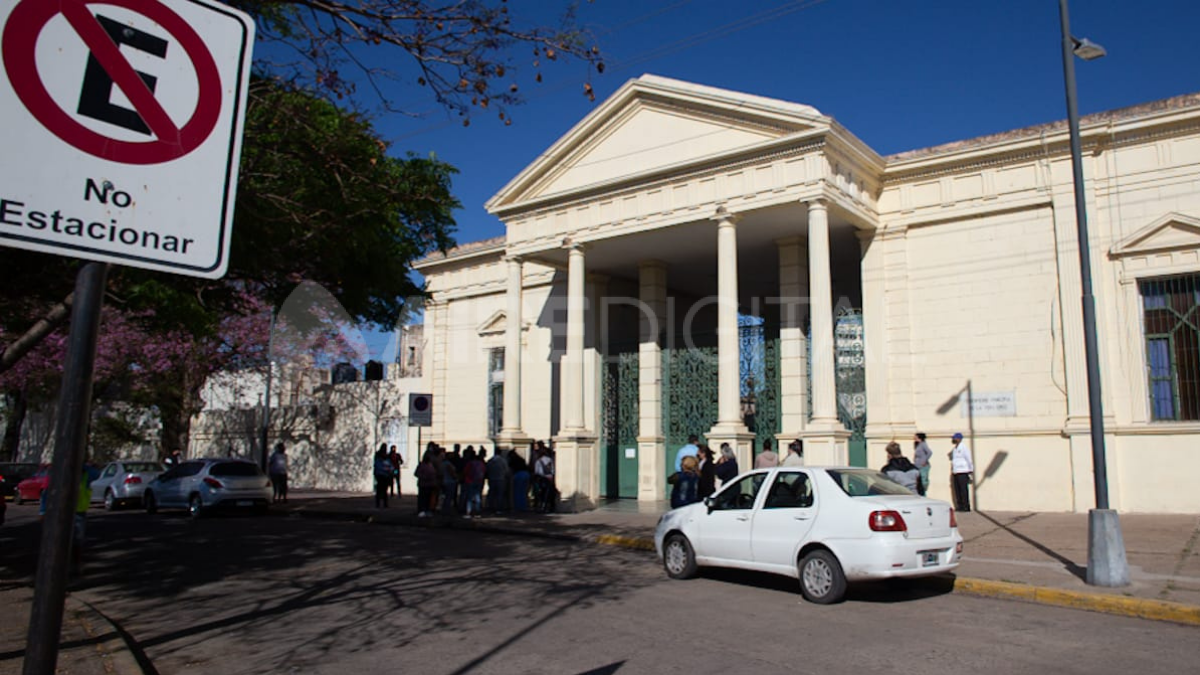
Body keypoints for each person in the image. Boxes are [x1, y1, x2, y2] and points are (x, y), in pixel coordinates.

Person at [950, 432, 974, 512]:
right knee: (957, 490)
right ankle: (959, 506)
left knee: (963, 490)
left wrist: (971, 470)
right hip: (956, 471)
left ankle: (966, 506)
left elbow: (969, 459)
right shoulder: (954, 449)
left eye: (955, 438)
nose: (953, 439)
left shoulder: (964, 448)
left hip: (963, 471)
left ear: (959, 439)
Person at [462, 448, 486, 517]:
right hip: (479, 481)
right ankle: (477, 511)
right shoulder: (481, 463)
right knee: (477, 496)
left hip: (470, 481)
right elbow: (484, 471)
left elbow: (465, 472)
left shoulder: (470, 463)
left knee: (469, 497)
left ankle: (469, 512)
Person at [414, 449, 438, 517]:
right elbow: (416, 473)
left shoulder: (431, 464)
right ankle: (421, 510)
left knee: (428, 499)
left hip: (430, 484)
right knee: (422, 498)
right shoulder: (421, 464)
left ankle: (428, 510)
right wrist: (424, 476)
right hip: (423, 484)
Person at [486, 447, 510, 513]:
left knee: (491, 494)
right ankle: (499, 508)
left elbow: (487, 470)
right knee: (500, 494)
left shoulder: (490, 461)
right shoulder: (503, 461)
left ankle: (491, 507)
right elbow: (507, 470)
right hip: (501, 479)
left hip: (492, 478)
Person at [533, 446, 556, 513]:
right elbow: (552, 469)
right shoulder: (550, 459)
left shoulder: (538, 461)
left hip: (542, 478)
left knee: (542, 493)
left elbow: (537, 471)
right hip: (550, 478)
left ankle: (542, 506)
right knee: (549, 493)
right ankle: (550, 507)